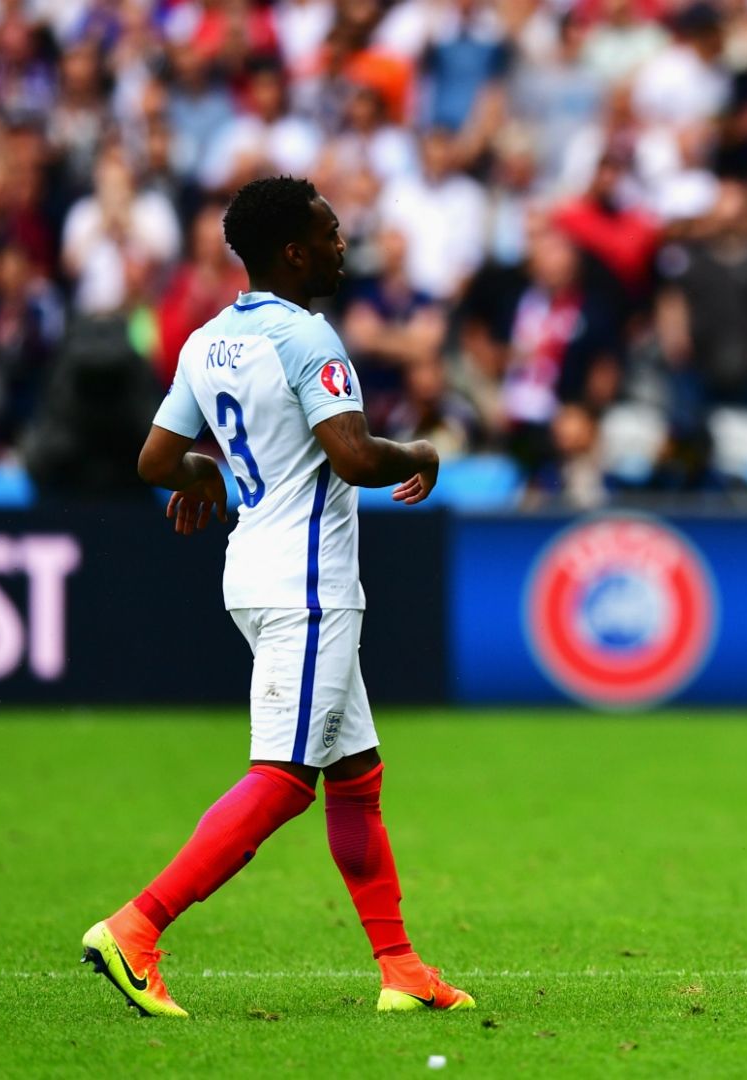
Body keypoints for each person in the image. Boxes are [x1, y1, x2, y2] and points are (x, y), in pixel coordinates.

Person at [81, 176, 472, 1018]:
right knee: (287, 779)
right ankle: (135, 928)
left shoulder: (206, 340)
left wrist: (204, 473)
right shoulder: (310, 339)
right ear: (294, 250)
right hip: (309, 583)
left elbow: (157, 461)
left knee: (357, 775)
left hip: (255, 573)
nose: (342, 244)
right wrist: (421, 453)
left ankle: (400, 968)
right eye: (331, 233)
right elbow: (355, 458)